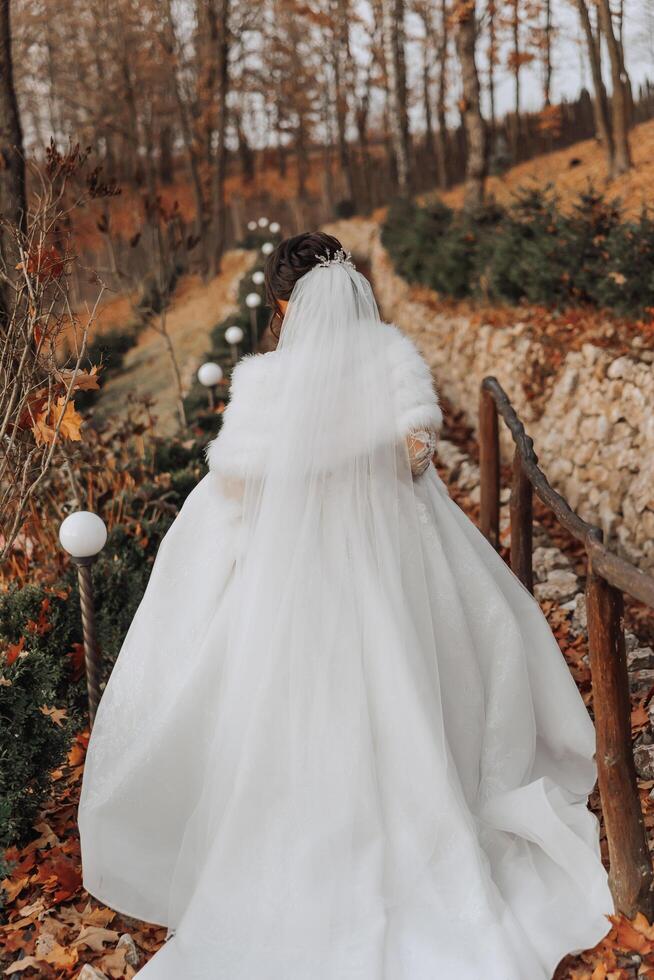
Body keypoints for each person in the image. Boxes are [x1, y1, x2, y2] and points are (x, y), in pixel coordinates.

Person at [78, 232, 612, 979]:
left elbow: (236, 489)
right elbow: (418, 458)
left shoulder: (266, 385)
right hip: (396, 568)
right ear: (353, 291)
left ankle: (297, 850)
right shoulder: (391, 360)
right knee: (441, 671)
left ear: (285, 305)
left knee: (292, 714)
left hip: (296, 585)